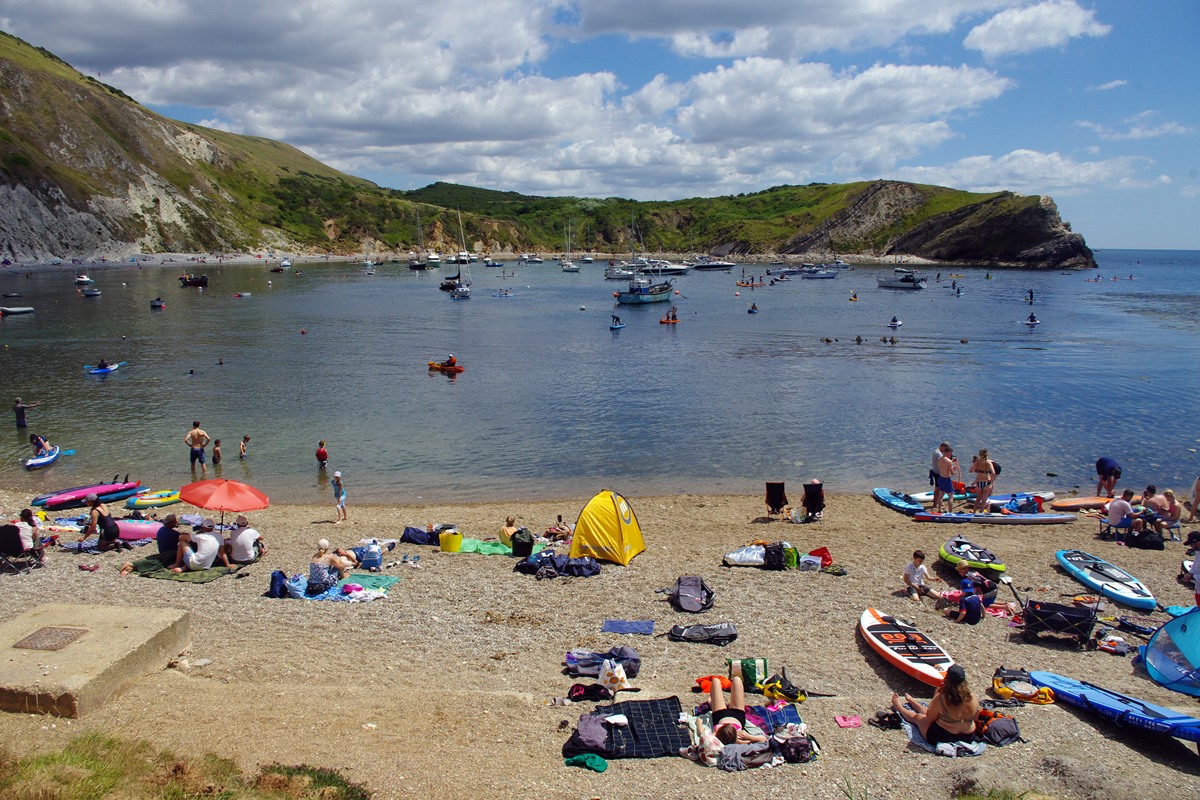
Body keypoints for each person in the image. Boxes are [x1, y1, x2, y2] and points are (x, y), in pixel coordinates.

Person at [891, 664, 979, 746]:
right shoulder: (973, 697)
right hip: (968, 737)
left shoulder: (942, 698)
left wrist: (936, 695)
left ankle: (899, 708)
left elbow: (929, 718)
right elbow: (975, 716)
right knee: (939, 713)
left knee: (919, 718)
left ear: (947, 679)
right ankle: (913, 702)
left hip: (943, 737)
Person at [709, 675, 767, 745]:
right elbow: (764, 739)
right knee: (737, 679)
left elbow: (706, 737)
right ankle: (712, 702)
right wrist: (749, 737)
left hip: (721, 715)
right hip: (734, 715)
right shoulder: (738, 738)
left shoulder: (716, 734)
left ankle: (712, 702)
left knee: (715, 681)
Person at [935, 446, 960, 514]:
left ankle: (939, 509)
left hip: (940, 478)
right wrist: (955, 469)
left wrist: (951, 464)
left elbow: (944, 467)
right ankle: (950, 511)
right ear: (949, 453)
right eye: (950, 453)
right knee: (951, 496)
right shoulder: (949, 461)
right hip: (946, 479)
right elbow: (952, 473)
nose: (951, 455)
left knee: (940, 495)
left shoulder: (939, 459)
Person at [930, 442, 951, 512]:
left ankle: (935, 502)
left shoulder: (936, 451)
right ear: (942, 446)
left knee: (938, 489)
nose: (945, 451)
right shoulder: (938, 453)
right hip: (938, 473)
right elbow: (943, 462)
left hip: (936, 471)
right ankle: (935, 504)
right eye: (945, 449)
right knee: (938, 489)